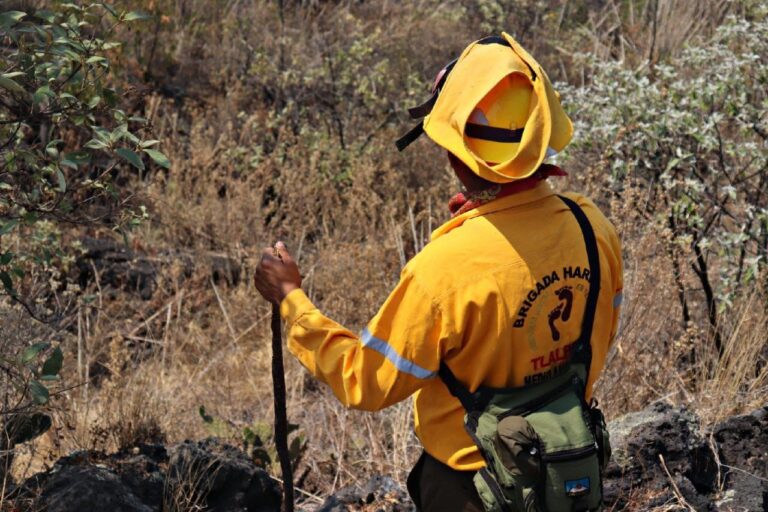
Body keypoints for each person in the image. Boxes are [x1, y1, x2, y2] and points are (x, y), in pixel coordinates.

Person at [254, 33, 623, 512]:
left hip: (472, 488)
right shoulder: (592, 228)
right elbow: (600, 330)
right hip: (568, 473)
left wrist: (292, 300)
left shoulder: (445, 268)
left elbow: (364, 380)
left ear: (453, 155)